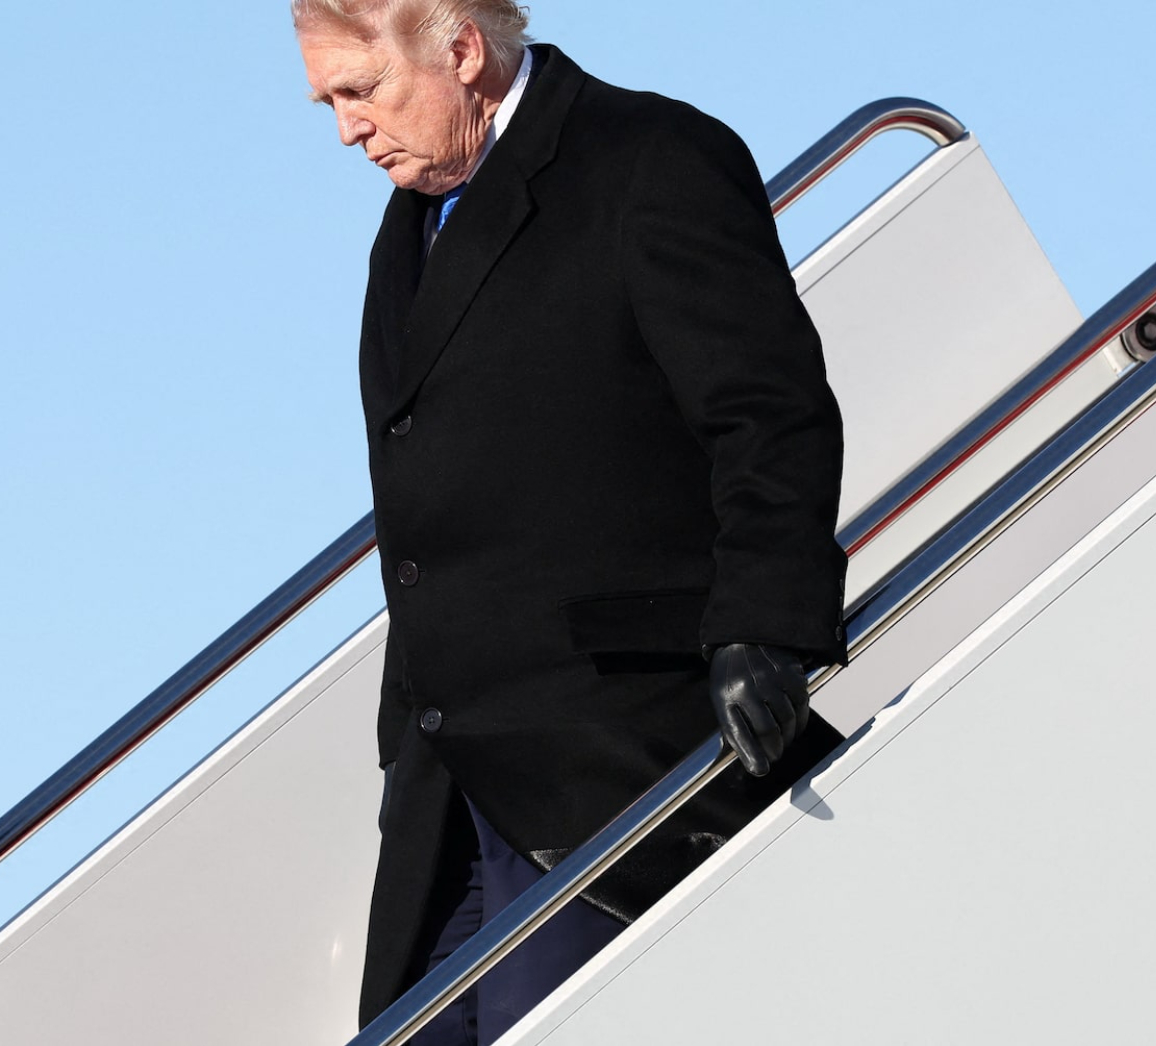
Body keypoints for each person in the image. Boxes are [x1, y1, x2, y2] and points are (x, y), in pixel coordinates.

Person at [293, 2, 849, 1041]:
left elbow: (766, 412)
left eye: (359, 91)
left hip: (610, 745)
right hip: (449, 785)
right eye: (326, 101)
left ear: (461, 51)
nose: (345, 129)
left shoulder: (646, 157)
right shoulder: (408, 231)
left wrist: (764, 622)